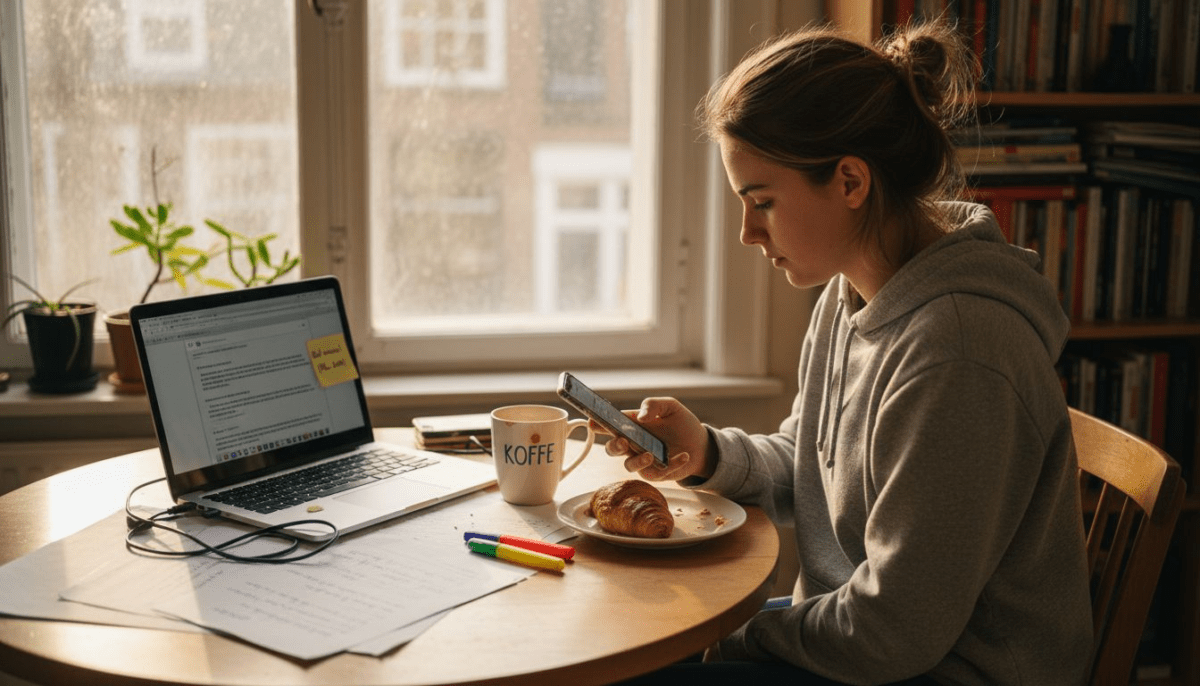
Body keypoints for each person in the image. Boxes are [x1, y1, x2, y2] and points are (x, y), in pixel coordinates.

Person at [608, 19, 1093, 686]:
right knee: (639, 640)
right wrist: (707, 452)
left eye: (763, 202)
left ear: (850, 182)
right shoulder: (853, 294)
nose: (748, 233)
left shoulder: (960, 354)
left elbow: (896, 632)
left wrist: (733, 635)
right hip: (865, 641)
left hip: (943, 670)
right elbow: (809, 466)